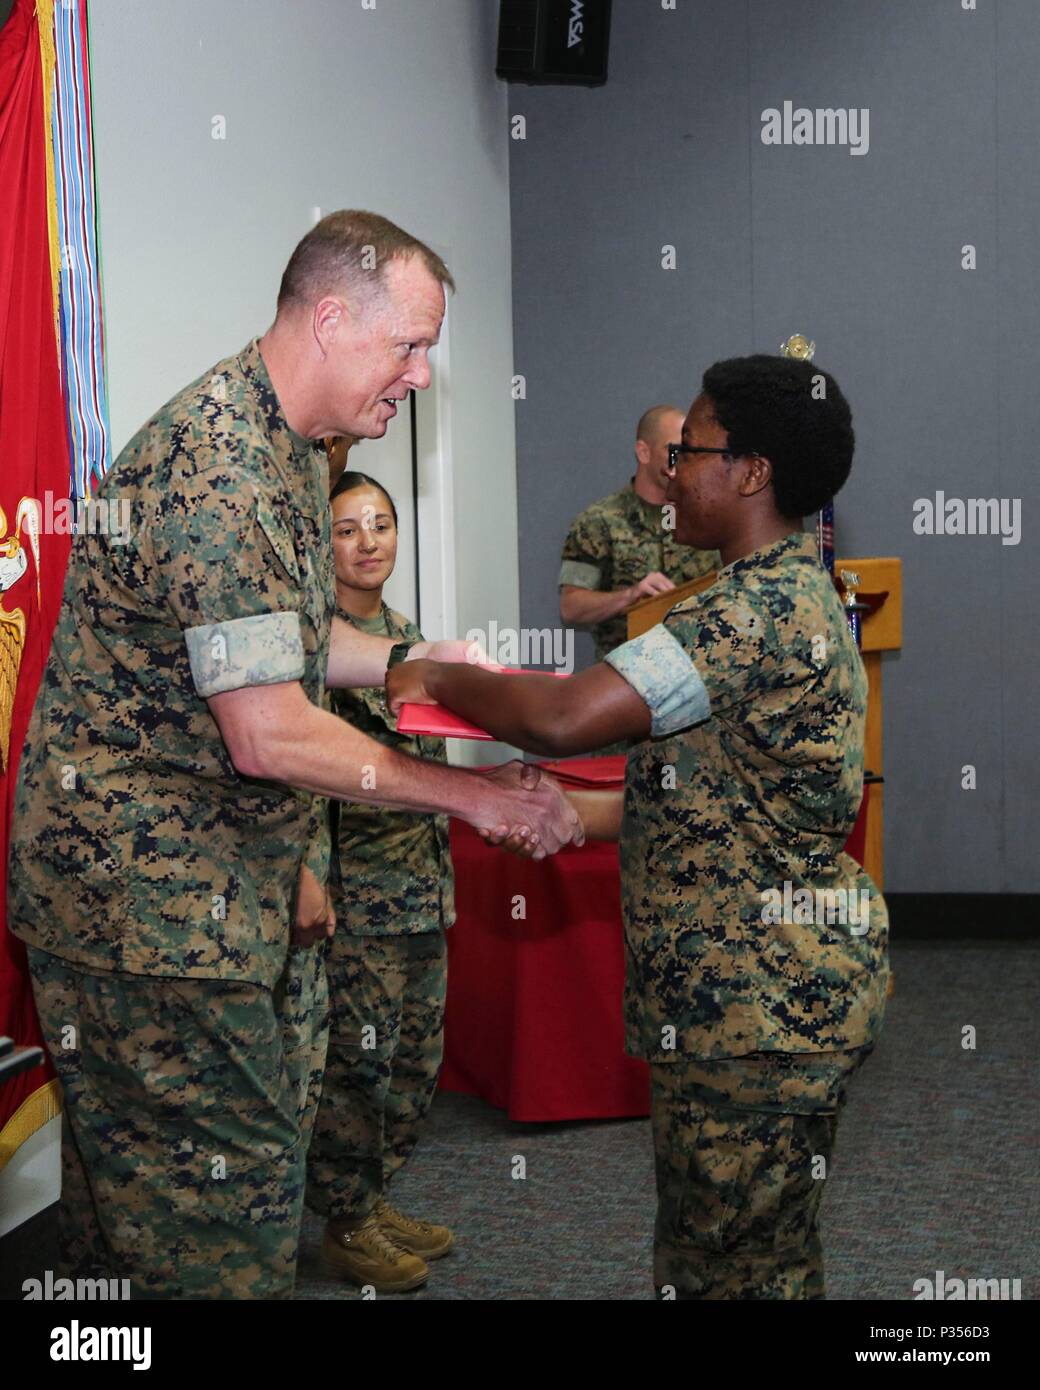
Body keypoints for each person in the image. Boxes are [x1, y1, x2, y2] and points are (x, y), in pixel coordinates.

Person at [8, 210, 581, 1300]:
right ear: (329, 318)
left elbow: (281, 635)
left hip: (193, 901)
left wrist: (413, 660)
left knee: (123, 1235)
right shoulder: (222, 467)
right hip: (147, 917)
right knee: (221, 1235)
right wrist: (467, 799)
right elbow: (268, 727)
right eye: (407, 345)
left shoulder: (285, 447)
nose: (419, 375)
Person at [388, 353, 889, 1300]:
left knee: (728, 1267)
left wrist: (436, 674)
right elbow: (724, 797)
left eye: (690, 450)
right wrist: (569, 814)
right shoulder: (779, 590)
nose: (670, 472)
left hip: (756, 1008)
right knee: (752, 1256)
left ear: (751, 471)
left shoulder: (751, 610)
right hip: (768, 998)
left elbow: (564, 716)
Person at [307, 469, 455, 1293]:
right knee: (353, 1073)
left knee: (412, 1062)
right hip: (355, 899)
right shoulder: (312, 652)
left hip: (422, 892)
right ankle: (346, 1220)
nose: (368, 543)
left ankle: (374, 1195)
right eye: (347, 529)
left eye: (382, 525)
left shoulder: (408, 638)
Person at [559, 404, 719, 664]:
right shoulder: (600, 521)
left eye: (687, 452)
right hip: (625, 678)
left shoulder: (705, 518)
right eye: (673, 451)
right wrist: (631, 595)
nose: (680, 461)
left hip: (697, 676)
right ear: (643, 452)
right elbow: (571, 607)